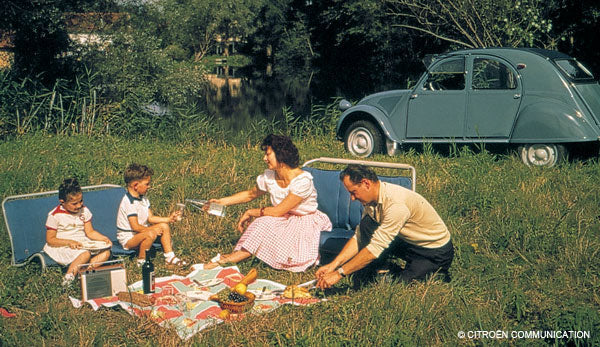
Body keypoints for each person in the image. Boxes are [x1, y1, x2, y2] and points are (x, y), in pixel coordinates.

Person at [202, 134, 332, 272]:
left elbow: (278, 211)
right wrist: (222, 202)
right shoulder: (270, 177)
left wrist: (250, 212)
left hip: (305, 221)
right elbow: (250, 194)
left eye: (268, 154)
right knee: (263, 223)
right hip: (284, 218)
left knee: (262, 223)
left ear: (281, 155)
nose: (264, 158)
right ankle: (232, 257)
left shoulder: (302, 181)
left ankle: (226, 261)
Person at [316, 164, 454, 289]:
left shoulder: (396, 205)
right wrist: (333, 265)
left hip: (434, 251)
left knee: (399, 287)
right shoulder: (372, 200)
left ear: (366, 183)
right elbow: (359, 236)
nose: (352, 198)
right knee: (367, 225)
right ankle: (383, 267)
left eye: (353, 192)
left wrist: (340, 274)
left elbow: (375, 248)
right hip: (408, 242)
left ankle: (435, 272)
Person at [43, 178, 112, 286]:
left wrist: (102, 238)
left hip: (82, 244)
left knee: (106, 253)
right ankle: (68, 278)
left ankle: (84, 273)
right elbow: (50, 240)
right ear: (63, 202)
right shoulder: (55, 215)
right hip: (62, 246)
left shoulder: (84, 211)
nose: (79, 205)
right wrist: (69, 242)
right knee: (85, 254)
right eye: (74, 203)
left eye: (81, 201)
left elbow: (90, 232)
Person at [116, 163, 186, 267]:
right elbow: (135, 226)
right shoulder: (129, 202)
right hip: (129, 238)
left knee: (164, 226)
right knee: (151, 234)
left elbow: (150, 218)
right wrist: (151, 230)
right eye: (147, 184)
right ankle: (141, 261)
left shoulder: (143, 198)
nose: (149, 186)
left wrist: (169, 219)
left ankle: (169, 256)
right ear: (135, 185)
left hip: (140, 232)